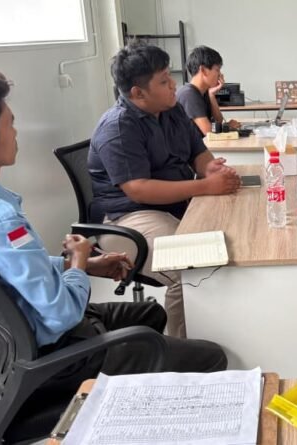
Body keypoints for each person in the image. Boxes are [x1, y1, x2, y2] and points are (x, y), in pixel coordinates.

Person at [0, 66, 228, 385]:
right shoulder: (3, 222)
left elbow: (12, 268)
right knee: (211, 355)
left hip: (20, 342)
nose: (16, 132)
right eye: (10, 124)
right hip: (62, 353)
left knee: (151, 315)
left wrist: (86, 264)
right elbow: (62, 313)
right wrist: (78, 262)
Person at [88, 43, 241, 338]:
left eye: (169, 76)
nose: (173, 84)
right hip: (129, 219)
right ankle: (183, 348)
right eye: (163, 81)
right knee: (189, 267)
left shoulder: (171, 110)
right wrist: (205, 185)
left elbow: (197, 151)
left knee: (232, 242)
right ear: (138, 93)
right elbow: (139, 190)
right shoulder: (118, 127)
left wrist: (209, 168)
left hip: (175, 207)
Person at [176, 45, 239, 135]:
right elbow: (208, 132)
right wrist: (227, 127)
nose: (220, 75)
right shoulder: (189, 94)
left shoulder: (203, 92)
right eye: (217, 70)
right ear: (203, 70)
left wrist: (211, 95)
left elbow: (218, 121)